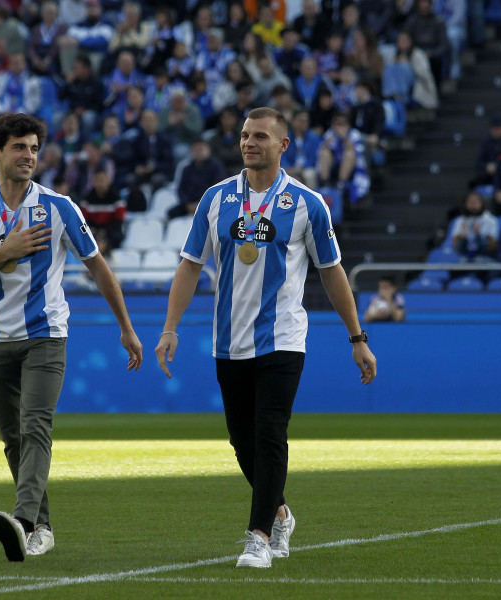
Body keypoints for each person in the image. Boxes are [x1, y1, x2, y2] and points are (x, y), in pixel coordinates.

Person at [155, 107, 376, 569]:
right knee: (242, 441)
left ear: (283, 145)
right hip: (228, 341)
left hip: (283, 340)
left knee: (270, 431)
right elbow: (191, 265)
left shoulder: (307, 204)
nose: (249, 143)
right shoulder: (215, 200)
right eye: (243, 136)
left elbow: (331, 272)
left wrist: (357, 337)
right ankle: (279, 513)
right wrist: (170, 327)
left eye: (259, 136)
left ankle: (258, 537)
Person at [0, 113, 144, 562]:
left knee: (36, 425)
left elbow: (98, 267)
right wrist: (5, 252)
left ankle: (24, 522)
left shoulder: (59, 207)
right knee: (14, 439)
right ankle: (42, 529)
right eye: (19, 147)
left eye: (34, 148)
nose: (29, 156)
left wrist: (126, 327)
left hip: (45, 335)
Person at [448, 190, 498, 262]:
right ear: (465, 204)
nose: (473, 205)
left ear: (482, 203)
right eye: (470, 203)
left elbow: (491, 248)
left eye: (475, 202)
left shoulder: (490, 220)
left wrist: (478, 236)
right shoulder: (460, 221)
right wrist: (463, 238)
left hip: (485, 258)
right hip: (465, 258)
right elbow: (457, 249)